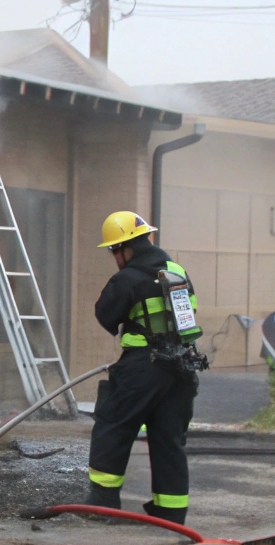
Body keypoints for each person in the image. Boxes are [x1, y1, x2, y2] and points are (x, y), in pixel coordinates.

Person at [85, 211, 205, 524]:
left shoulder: (129, 277)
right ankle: (171, 513)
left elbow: (105, 314)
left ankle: (102, 505)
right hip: (181, 367)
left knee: (113, 427)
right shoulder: (176, 269)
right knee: (168, 438)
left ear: (127, 247)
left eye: (114, 250)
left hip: (142, 368)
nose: (115, 257)